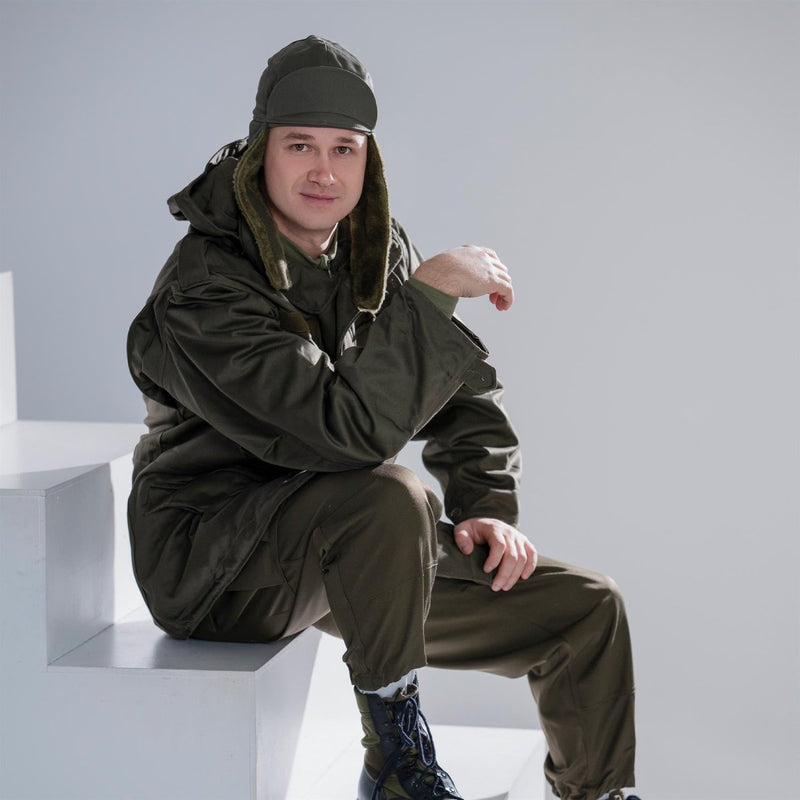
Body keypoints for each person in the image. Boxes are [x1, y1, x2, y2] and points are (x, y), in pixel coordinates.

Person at [127, 35, 642, 800]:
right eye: (300, 145)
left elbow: (464, 394)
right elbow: (342, 434)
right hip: (220, 568)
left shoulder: (372, 253)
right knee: (390, 493)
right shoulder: (205, 289)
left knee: (585, 610)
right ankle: (397, 765)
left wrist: (486, 507)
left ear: (370, 160)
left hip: (357, 558)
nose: (324, 171)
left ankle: (599, 794)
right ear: (257, 154)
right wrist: (431, 296)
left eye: (346, 148)